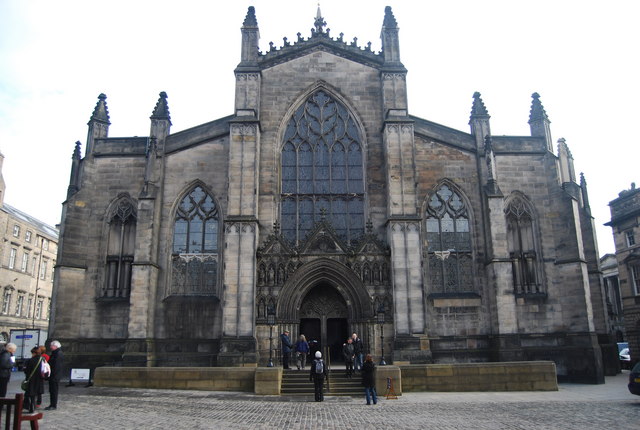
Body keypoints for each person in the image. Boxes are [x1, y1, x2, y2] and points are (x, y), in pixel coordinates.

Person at [23, 347, 44, 413]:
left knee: (31, 394)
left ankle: (30, 407)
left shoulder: (30, 360)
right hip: (40, 379)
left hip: (31, 379)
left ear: (34, 353)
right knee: (37, 393)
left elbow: (27, 370)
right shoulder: (43, 359)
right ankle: (36, 404)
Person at [46, 340, 63, 410]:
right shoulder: (55, 353)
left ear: (55, 346)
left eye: (51, 346)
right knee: (52, 390)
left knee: (54, 390)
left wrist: (52, 374)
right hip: (53, 375)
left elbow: (56, 366)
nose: (50, 347)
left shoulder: (58, 354)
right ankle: (52, 404)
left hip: (54, 375)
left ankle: (53, 405)